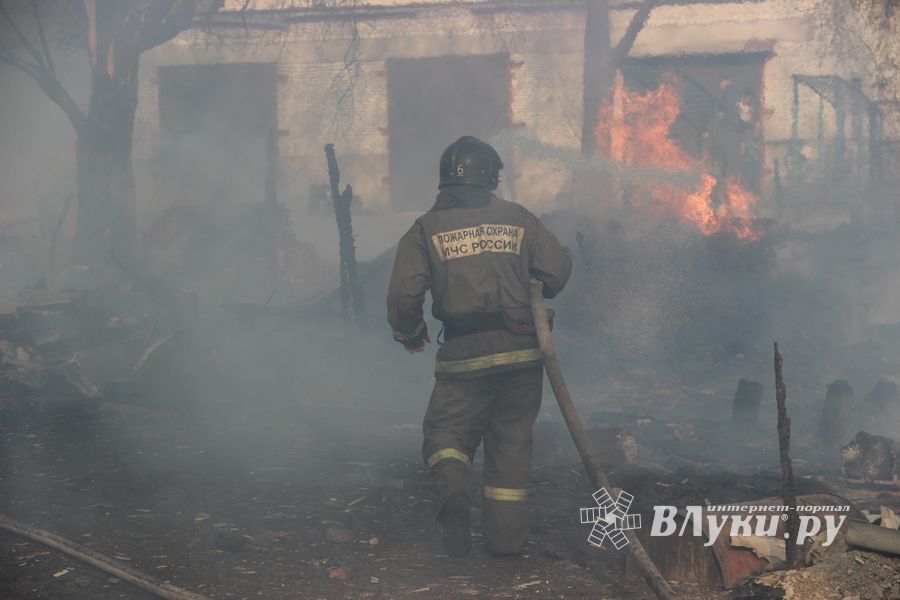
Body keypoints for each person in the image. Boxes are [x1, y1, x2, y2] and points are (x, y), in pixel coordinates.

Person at [386, 136, 572, 558]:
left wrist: (410, 334)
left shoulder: (426, 228)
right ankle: (505, 544)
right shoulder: (519, 218)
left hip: (464, 358)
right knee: (510, 445)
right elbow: (557, 274)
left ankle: (454, 497)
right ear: (492, 177)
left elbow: (403, 296)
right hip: (524, 355)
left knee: (446, 434)